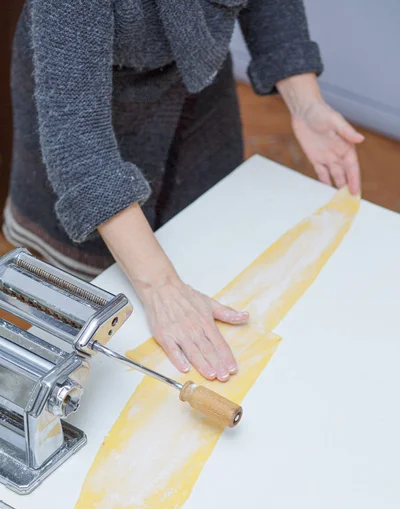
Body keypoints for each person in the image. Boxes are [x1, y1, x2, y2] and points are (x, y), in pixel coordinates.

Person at [4, 0, 363, 383]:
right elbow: (78, 146)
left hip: (195, 84)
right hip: (83, 105)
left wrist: (305, 102)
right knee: (95, 305)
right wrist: (161, 287)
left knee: (205, 249)